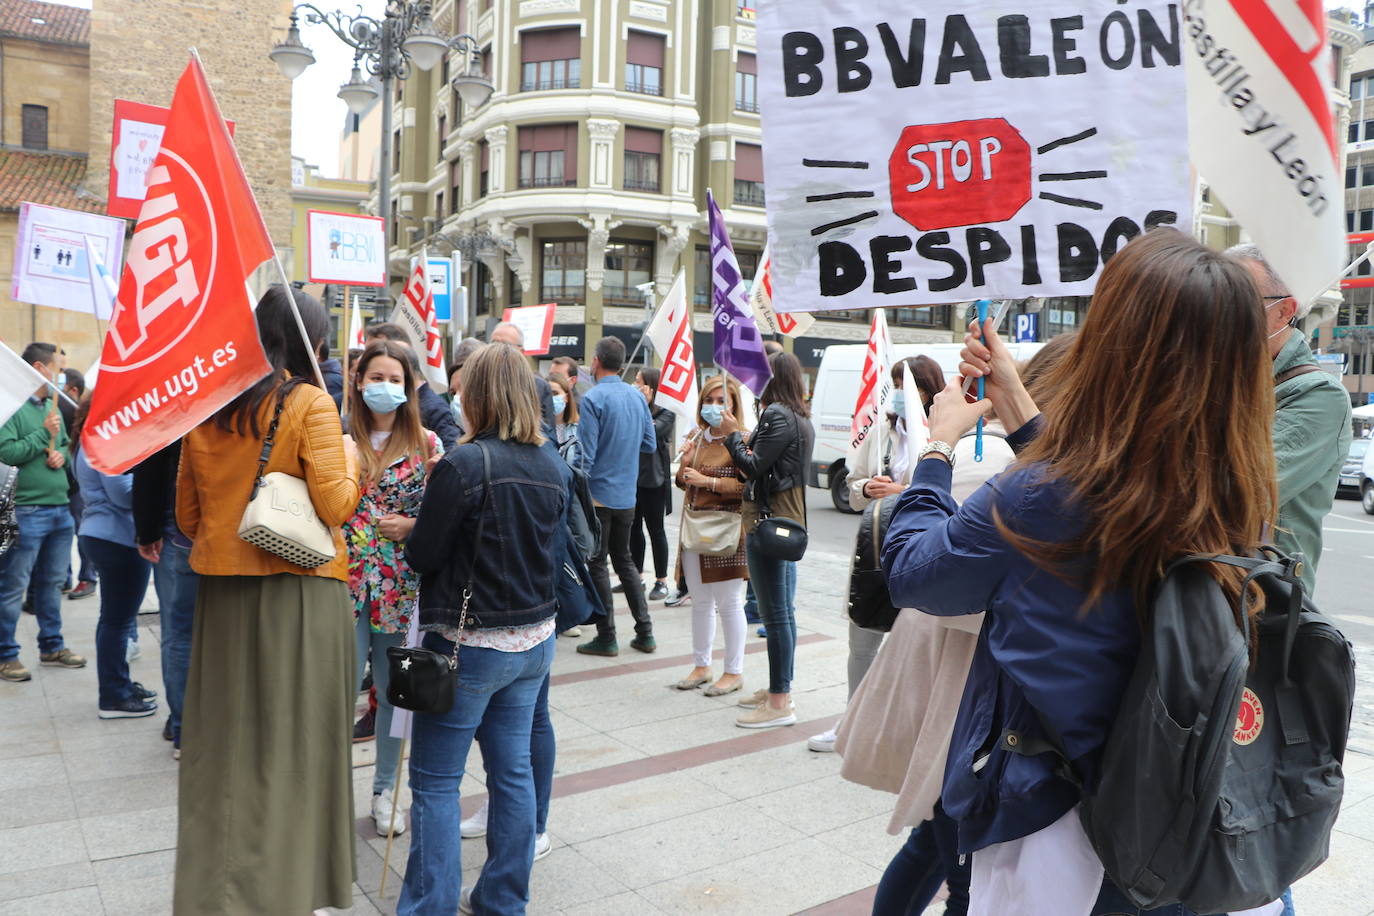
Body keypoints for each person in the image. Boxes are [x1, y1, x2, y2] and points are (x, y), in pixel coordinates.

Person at [882, 230, 1281, 915]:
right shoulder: (1235, 487)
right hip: (1185, 815)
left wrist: (937, 448)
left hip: (1063, 836)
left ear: (1117, 344)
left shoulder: (1045, 498)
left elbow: (916, 572)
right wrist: (1017, 403)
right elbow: (1105, 502)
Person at [836, 348, 1074, 916]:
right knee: (960, 863)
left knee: (937, 840)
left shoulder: (1042, 470)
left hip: (965, 683)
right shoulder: (1011, 468)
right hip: (964, 684)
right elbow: (921, 573)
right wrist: (937, 451)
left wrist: (936, 450)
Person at [174, 287, 360, 915]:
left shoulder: (209, 405)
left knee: (223, 750)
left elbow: (187, 515)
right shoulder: (310, 402)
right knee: (298, 746)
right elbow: (336, 506)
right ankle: (290, 889)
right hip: (301, 596)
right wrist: (355, 463)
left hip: (222, 594)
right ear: (312, 337)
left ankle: (217, 894)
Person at [400, 342, 566, 916]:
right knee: (512, 773)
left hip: (468, 647)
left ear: (479, 396)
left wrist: (425, 504)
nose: (457, 395)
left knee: (436, 781)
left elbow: (423, 554)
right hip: (533, 643)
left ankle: (430, 907)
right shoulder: (553, 463)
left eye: (464, 387)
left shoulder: (464, 464)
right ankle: (502, 900)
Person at [809, 354, 947, 753]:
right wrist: (868, 488)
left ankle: (911, 733)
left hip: (923, 552)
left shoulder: (944, 432)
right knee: (862, 639)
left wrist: (903, 492)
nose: (903, 395)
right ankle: (852, 724)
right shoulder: (881, 432)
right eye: (897, 384)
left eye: (913, 387)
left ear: (929, 389)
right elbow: (853, 487)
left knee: (918, 649)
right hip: (876, 549)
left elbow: (953, 494)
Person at [344, 339, 443, 837]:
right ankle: (322, 792)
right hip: (341, 584)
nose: (385, 387)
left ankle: (386, 791)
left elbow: (443, 515)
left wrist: (412, 525)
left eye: (395, 380)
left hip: (401, 589)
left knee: (392, 692)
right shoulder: (335, 438)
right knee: (334, 688)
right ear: (359, 382)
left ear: (409, 387)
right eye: (376, 378)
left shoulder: (428, 445)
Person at [1226, 243, 1353, 596]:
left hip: (1260, 608)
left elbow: (1237, 493)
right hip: (1189, 594)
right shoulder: (1215, 377)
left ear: (1284, 312)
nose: (1220, 313)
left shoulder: (1318, 396)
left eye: (1237, 302)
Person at [718, 351, 815, 728]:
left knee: (775, 617)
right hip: (789, 521)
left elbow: (752, 467)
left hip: (767, 522)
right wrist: (746, 437)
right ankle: (781, 689)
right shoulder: (800, 417)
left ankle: (778, 703)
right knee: (783, 614)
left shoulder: (776, 415)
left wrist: (731, 438)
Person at [0, 342, 84, 682]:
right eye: (58, 369)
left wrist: (60, 453)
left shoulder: (50, 407)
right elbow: (6, 451)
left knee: (50, 583)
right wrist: (41, 436)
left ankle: (51, 646)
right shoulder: (14, 409)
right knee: (13, 584)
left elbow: (61, 442)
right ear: (39, 367)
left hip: (59, 509)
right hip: (28, 509)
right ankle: (6, 654)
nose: (60, 377)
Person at [71, 395, 158, 719]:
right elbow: (122, 494)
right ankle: (114, 696)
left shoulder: (88, 438)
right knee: (117, 621)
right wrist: (151, 476)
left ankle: (119, 685)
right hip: (116, 537)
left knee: (115, 620)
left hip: (103, 534)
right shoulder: (105, 438)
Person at [574, 336, 659, 658]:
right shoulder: (637, 398)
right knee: (624, 561)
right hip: (627, 495)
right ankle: (645, 632)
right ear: (622, 363)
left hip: (598, 496)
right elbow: (649, 444)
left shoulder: (593, 398)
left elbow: (586, 457)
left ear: (596, 361)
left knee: (598, 563)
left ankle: (606, 636)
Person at [673, 375, 749, 697]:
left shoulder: (741, 439)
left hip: (727, 531)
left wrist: (708, 482)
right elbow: (682, 481)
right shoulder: (696, 437)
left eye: (722, 401)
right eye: (710, 400)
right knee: (700, 602)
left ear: (733, 406)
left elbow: (746, 487)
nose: (714, 407)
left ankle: (733, 671)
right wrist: (685, 467)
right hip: (694, 529)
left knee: (730, 603)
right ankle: (702, 665)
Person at [132, 441, 199, 758]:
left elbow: (150, 464)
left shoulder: (169, 397)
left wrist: (147, 530)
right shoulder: (231, 394)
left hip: (181, 528)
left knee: (178, 632)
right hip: (226, 526)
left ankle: (185, 728)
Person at [366, 321, 461, 450]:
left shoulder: (433, 410)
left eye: (394, 379)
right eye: (376, 378)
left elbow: (450, 449)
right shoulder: (347, 431)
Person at [632, 367, 675, 601]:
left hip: (654, 480)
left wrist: (644, 406)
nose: (635, 385)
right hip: (633, 477)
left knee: (656, 531)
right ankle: (636, 576)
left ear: (650, 386)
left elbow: (649, 432)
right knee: (633, 529)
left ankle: (661, 581)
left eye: (639, 382)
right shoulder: (637, 407)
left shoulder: (666, 412)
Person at [57, 367, 97, 600]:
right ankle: (64, 577)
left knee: (82, 531)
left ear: (73, 389)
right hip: (61, 483)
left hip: (77, 485)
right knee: (65, 533)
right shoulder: (55, 407)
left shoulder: (77, 410)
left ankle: (88, 577)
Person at [489, 321, 557, 433]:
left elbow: (549, 434)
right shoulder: (479, 382)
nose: (497, 349)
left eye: (505, 345)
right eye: (493, 343)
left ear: (521, 351)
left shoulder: (538, 387)